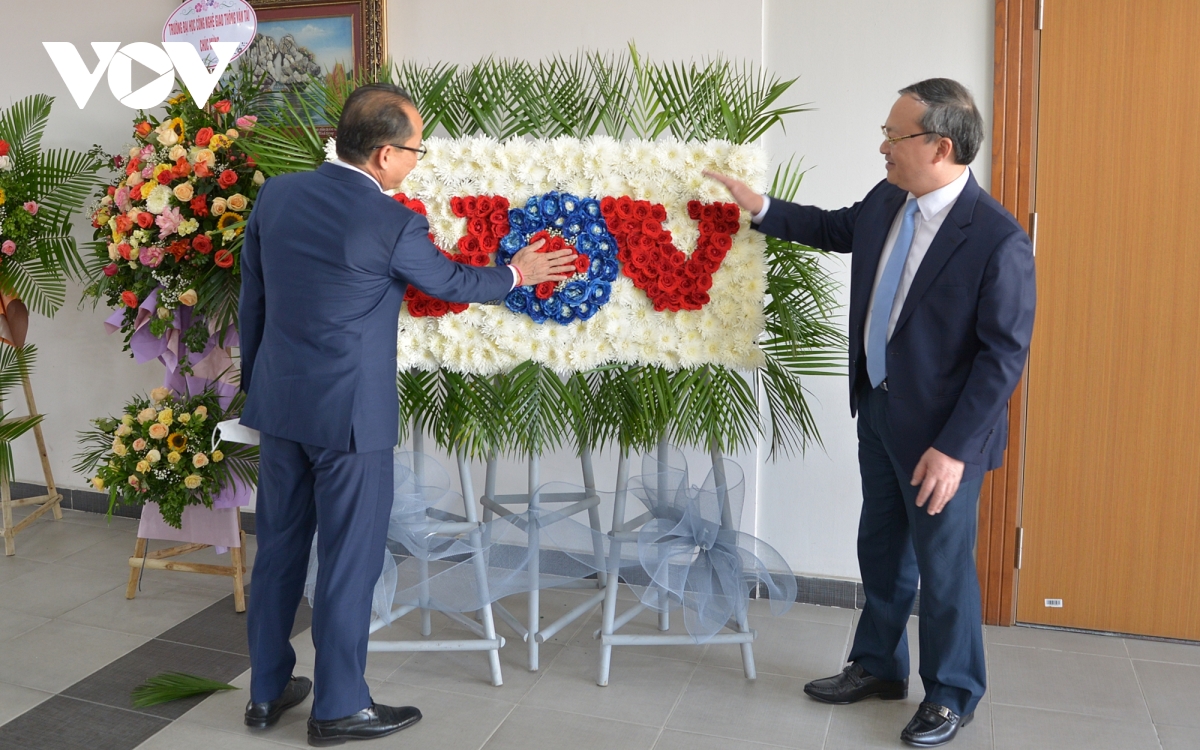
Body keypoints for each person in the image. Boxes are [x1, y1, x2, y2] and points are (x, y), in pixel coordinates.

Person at [237, 83, 575, 746]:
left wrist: (257, 388)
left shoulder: (277, 195)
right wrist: (517, 272)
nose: (419, 159)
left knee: (277, 549)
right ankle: (339, 706)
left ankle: (266, 692)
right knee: (348, 561)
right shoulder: (390, 222)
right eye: (417, 148)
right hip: (350, 419)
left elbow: (256, 298)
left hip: (280, 405)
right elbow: (451, 281)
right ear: (385, 154)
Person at [708, 78, 1035, 748]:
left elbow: (1002, 358)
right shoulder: (890, 199)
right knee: (882, 548)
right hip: (880, 407)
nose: (883, 147)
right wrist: (759, 205)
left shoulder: (996, 238)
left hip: (944, 438)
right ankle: (879, 666)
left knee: (943, 569)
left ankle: (952, 694)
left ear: (940, 146)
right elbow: (832, 228)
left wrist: (955, 449)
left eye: (894, 135)